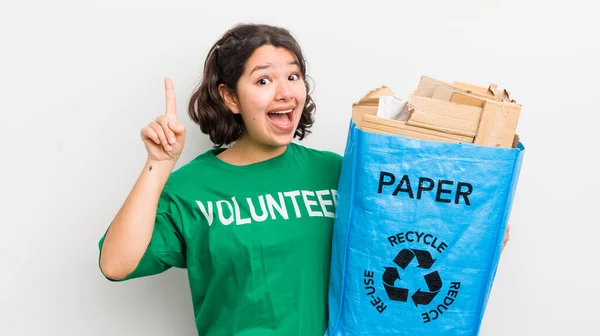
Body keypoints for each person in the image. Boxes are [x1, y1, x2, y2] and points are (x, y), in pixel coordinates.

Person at [98, 23, 511, 335]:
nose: (285, 92)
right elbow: (115, 265)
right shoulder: (191, 188)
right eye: (263, 80)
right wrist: (158, 163)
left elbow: (401, 247)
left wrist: (474, 233)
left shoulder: (340, 172)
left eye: (293, 77)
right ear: (229, 97)